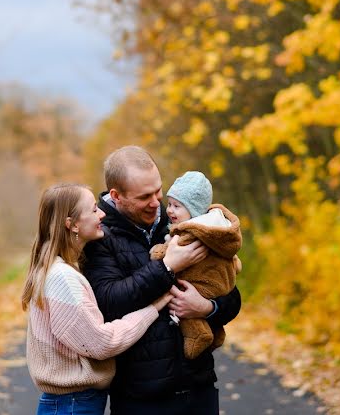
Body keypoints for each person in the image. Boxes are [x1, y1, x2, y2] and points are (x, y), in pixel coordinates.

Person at [82, 146, 242, 414]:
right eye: (145, 196)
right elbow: (108, 303)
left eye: (158, 191)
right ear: (116, 196)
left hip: (199, 386)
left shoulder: (186, 222)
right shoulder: (99, 236)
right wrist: (168, 266)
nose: (157, 203)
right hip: (143, 398)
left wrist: (207, 308)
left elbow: (230, 291)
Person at [22, 183, 179, 415]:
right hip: (72, 406)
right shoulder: (62, 279)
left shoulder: (62, 270)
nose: (103, 214)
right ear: (72, 224)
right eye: (94, 209)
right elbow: (102, 343)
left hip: (73, 403)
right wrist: (153, 308)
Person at [151, 171, 243, 358]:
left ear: (192, 211)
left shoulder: (191, 233)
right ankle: (216, 335)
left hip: (200, 284)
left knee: (183, 306)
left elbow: (171, 250)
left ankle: (199, 334)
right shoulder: (217, 231)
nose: (169, 210)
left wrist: (159, 252)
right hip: (220, 281)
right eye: (169, 204)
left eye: (176, 206)